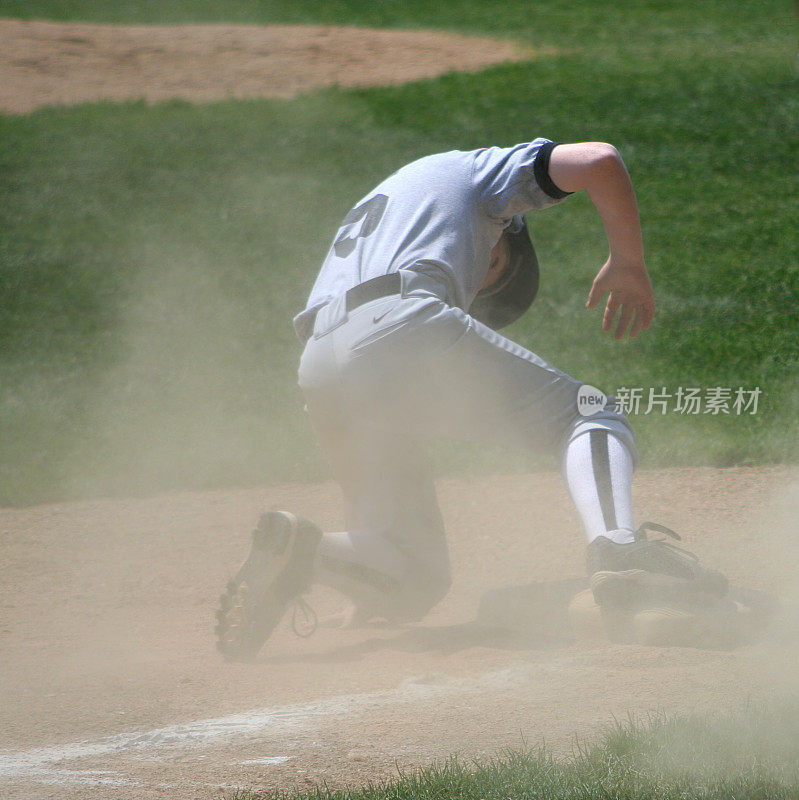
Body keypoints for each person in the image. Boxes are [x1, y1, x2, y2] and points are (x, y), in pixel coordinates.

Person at [215, 138, 727, 661]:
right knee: (589, 412)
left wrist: (358, 580)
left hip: (319, 363)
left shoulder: (387, 216)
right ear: (508, 230)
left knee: (416, 580)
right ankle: (619, 549)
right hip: (398, 322)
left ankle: (306, 552)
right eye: (495, 266)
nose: (481, 278)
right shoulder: (477, 174)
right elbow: (600, 160)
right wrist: (628, 261)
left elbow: (364, 477)